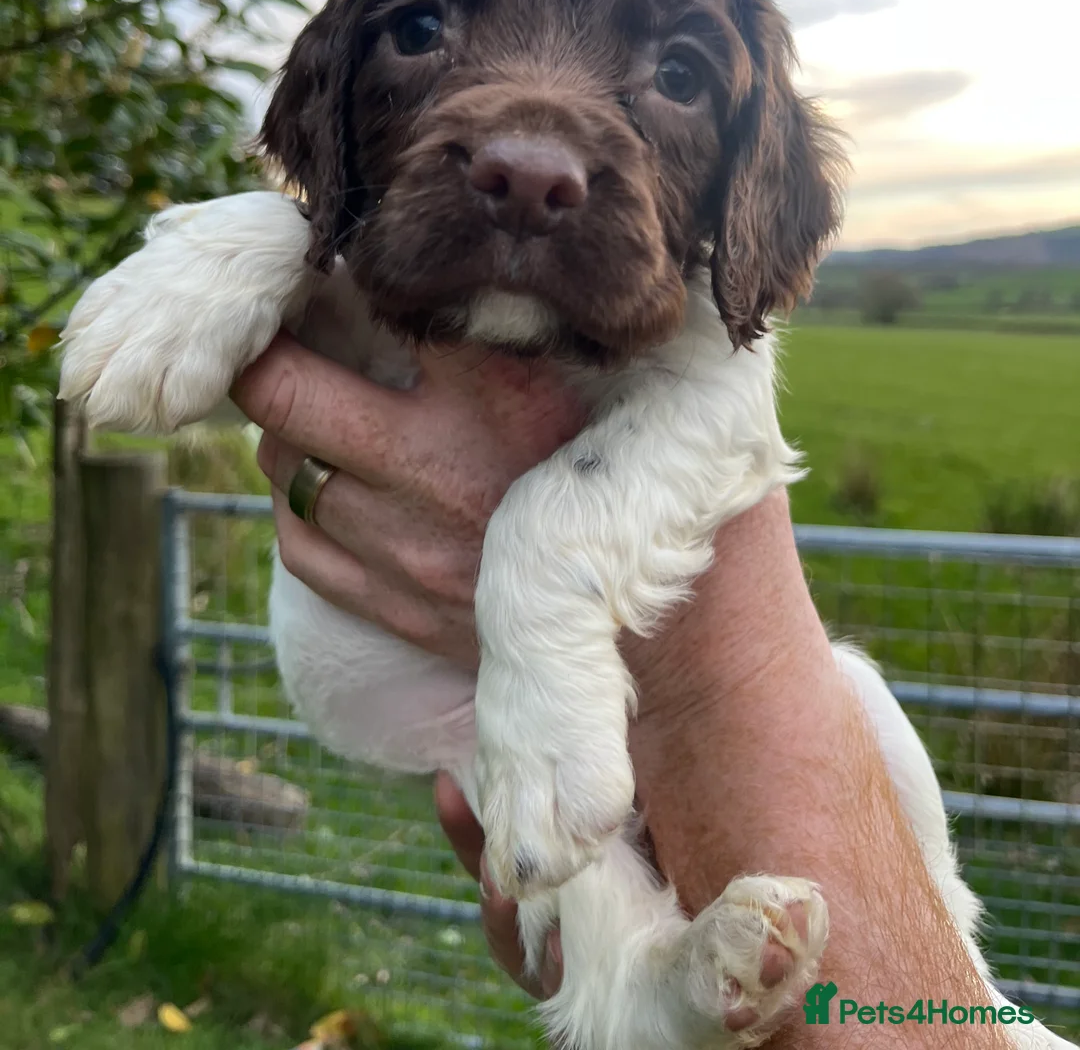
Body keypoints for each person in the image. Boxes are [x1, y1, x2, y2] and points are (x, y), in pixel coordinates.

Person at [232, 332, 1020, 1049]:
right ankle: (646, 990)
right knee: (536, 833)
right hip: (452, 715)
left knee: (848, 687)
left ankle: (962, 984)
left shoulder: (700, 325)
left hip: (538, 676)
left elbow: (721, 401)